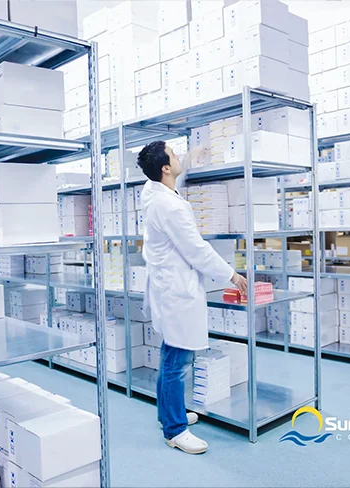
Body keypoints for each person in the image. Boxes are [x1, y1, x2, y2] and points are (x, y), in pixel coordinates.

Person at [137, 141, 248, 455]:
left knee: (170, 353)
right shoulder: (169, 207)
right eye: (173, 155)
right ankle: (175, 430)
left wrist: (190, 157)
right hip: (176, 291)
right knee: (177, 361)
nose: (176, 157)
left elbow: (171, 180)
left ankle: (166, 414)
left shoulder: (156, 192)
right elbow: (198, 251)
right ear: (165, 168)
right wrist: (232, 275)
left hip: (170, 287)